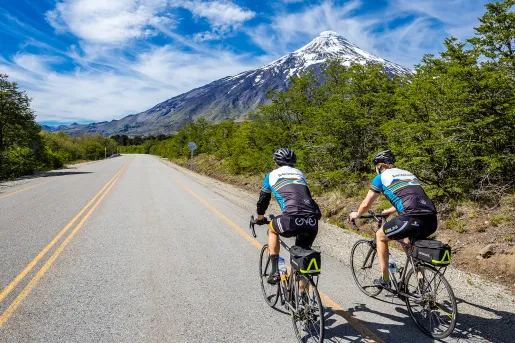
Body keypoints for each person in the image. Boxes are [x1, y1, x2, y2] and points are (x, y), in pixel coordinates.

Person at [349, 150, 437, 288]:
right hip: (431, 219)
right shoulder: (408, 174)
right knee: (407, 240)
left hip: (411, 217)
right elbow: (410, 197)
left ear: (379, 165)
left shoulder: (381, 177)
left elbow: (366, 204)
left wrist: (357, 214)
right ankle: (421, 282)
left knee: (380, 236)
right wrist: (390, 211)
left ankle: (385, 280)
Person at [255, 148, 322, 284]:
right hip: (312, 220)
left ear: (276, 163)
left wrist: (260, 218)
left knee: (272, 229)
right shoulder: (299, 174)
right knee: (303, 256)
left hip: (291, 218)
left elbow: (263, 200)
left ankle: (274, 272)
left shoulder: (271, 175)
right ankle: (302, 296)